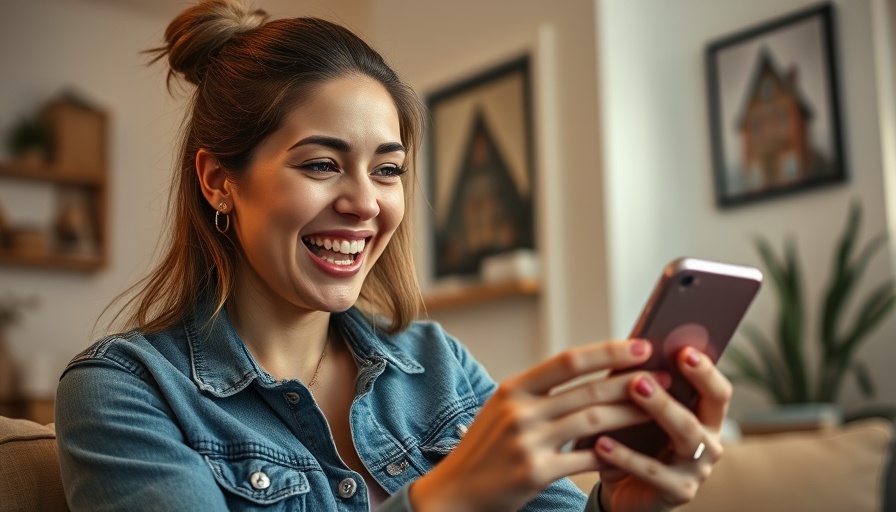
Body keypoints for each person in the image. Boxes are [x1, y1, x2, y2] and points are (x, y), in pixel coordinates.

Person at [54, 1, 732, 510]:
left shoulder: (438, 366)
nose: (365, 203)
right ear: (218, 181)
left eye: (387, 170)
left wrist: (618, 507)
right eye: (322, 164)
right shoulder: (125, 392)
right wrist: (443, 500)